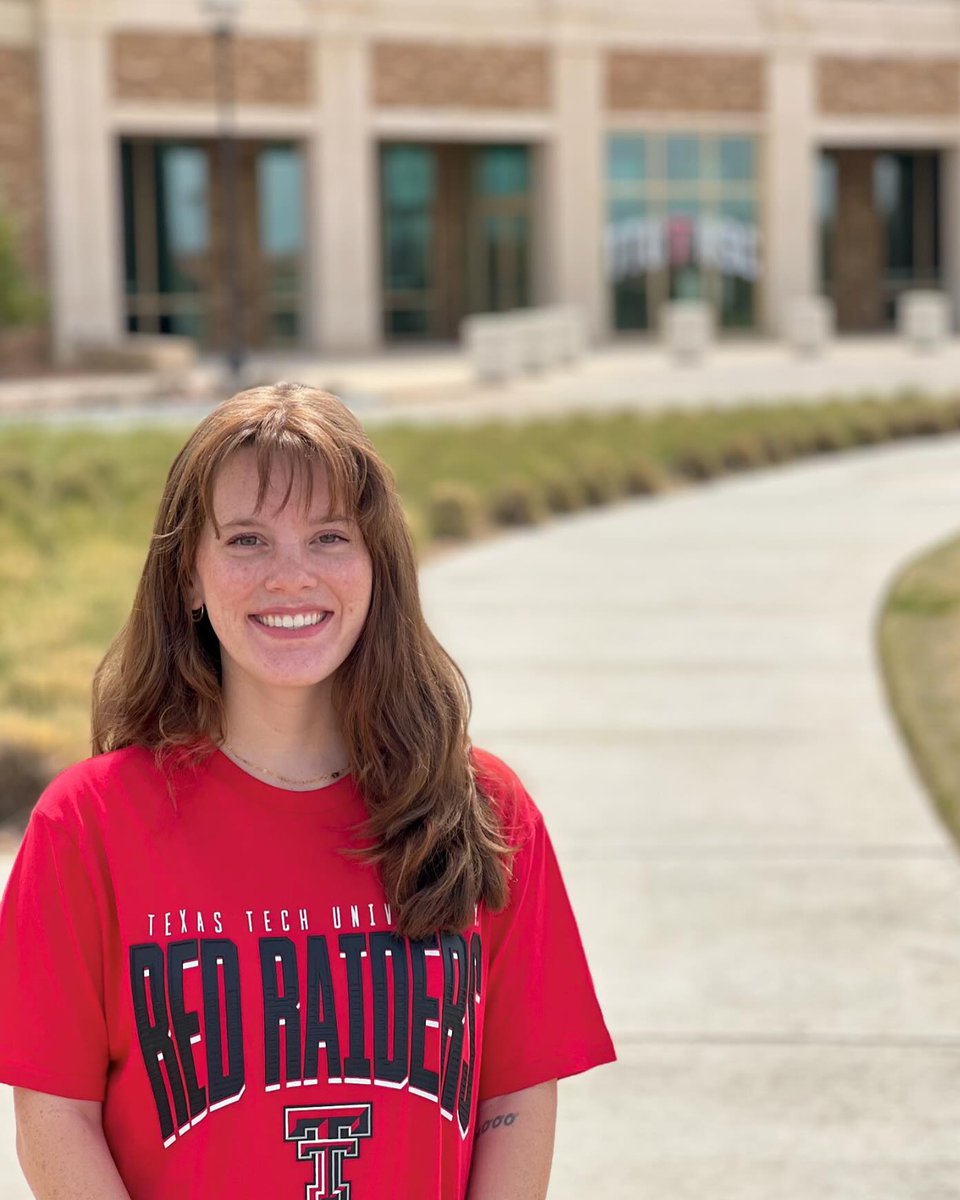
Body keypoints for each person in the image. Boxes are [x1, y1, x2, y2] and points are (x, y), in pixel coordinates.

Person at [0, 383, 616, 1199]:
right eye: (248, 540)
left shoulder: (482, 810)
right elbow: (54, 1112)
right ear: (189, 577)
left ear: (375, 566)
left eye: (329, 537)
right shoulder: (89, 825)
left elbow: (515, 1097)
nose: (291, 577)